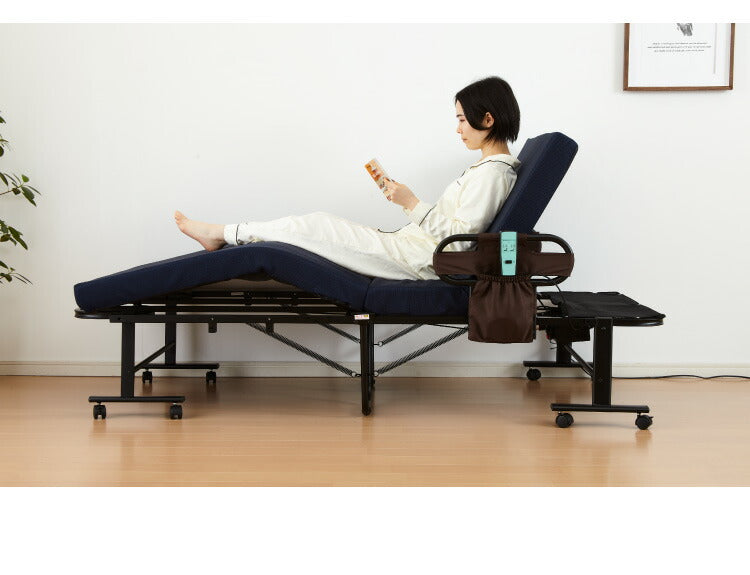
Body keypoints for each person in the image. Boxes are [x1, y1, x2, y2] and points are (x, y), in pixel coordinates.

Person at [175, 76, 521, 280]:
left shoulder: (493, 174)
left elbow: (460, 243)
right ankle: (225, 234)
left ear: (487, 119)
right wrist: (407, 204)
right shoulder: (487, 170)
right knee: (315, 224)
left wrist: (412, 203)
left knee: (311, 226)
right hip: (407, 247)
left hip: (414, 260)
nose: (458, 128)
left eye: (461, 119)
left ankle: (220, 234)